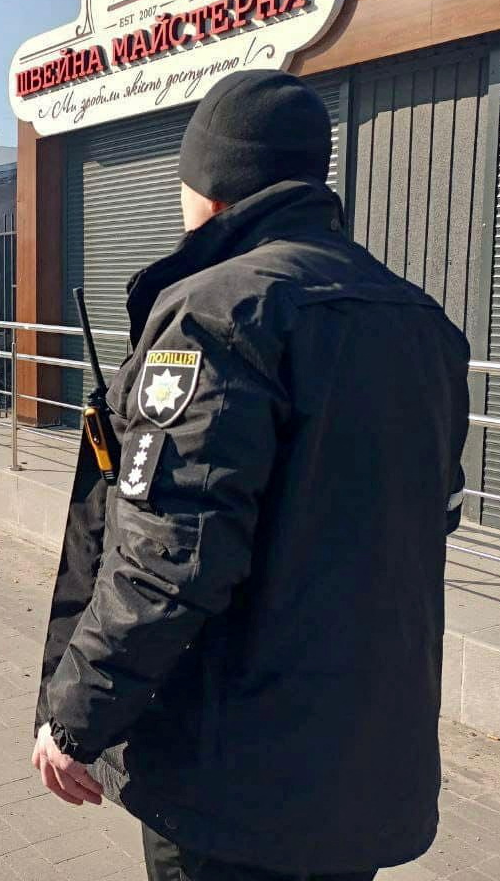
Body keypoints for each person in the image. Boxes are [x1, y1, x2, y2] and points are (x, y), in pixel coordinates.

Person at [31, 70, 471, 881]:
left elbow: (167, 560)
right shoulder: (423, 323)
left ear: (215, 186)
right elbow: (428, 521)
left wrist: (74, 716)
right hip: (364, 765)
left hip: (230, 786)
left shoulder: (215, 312)